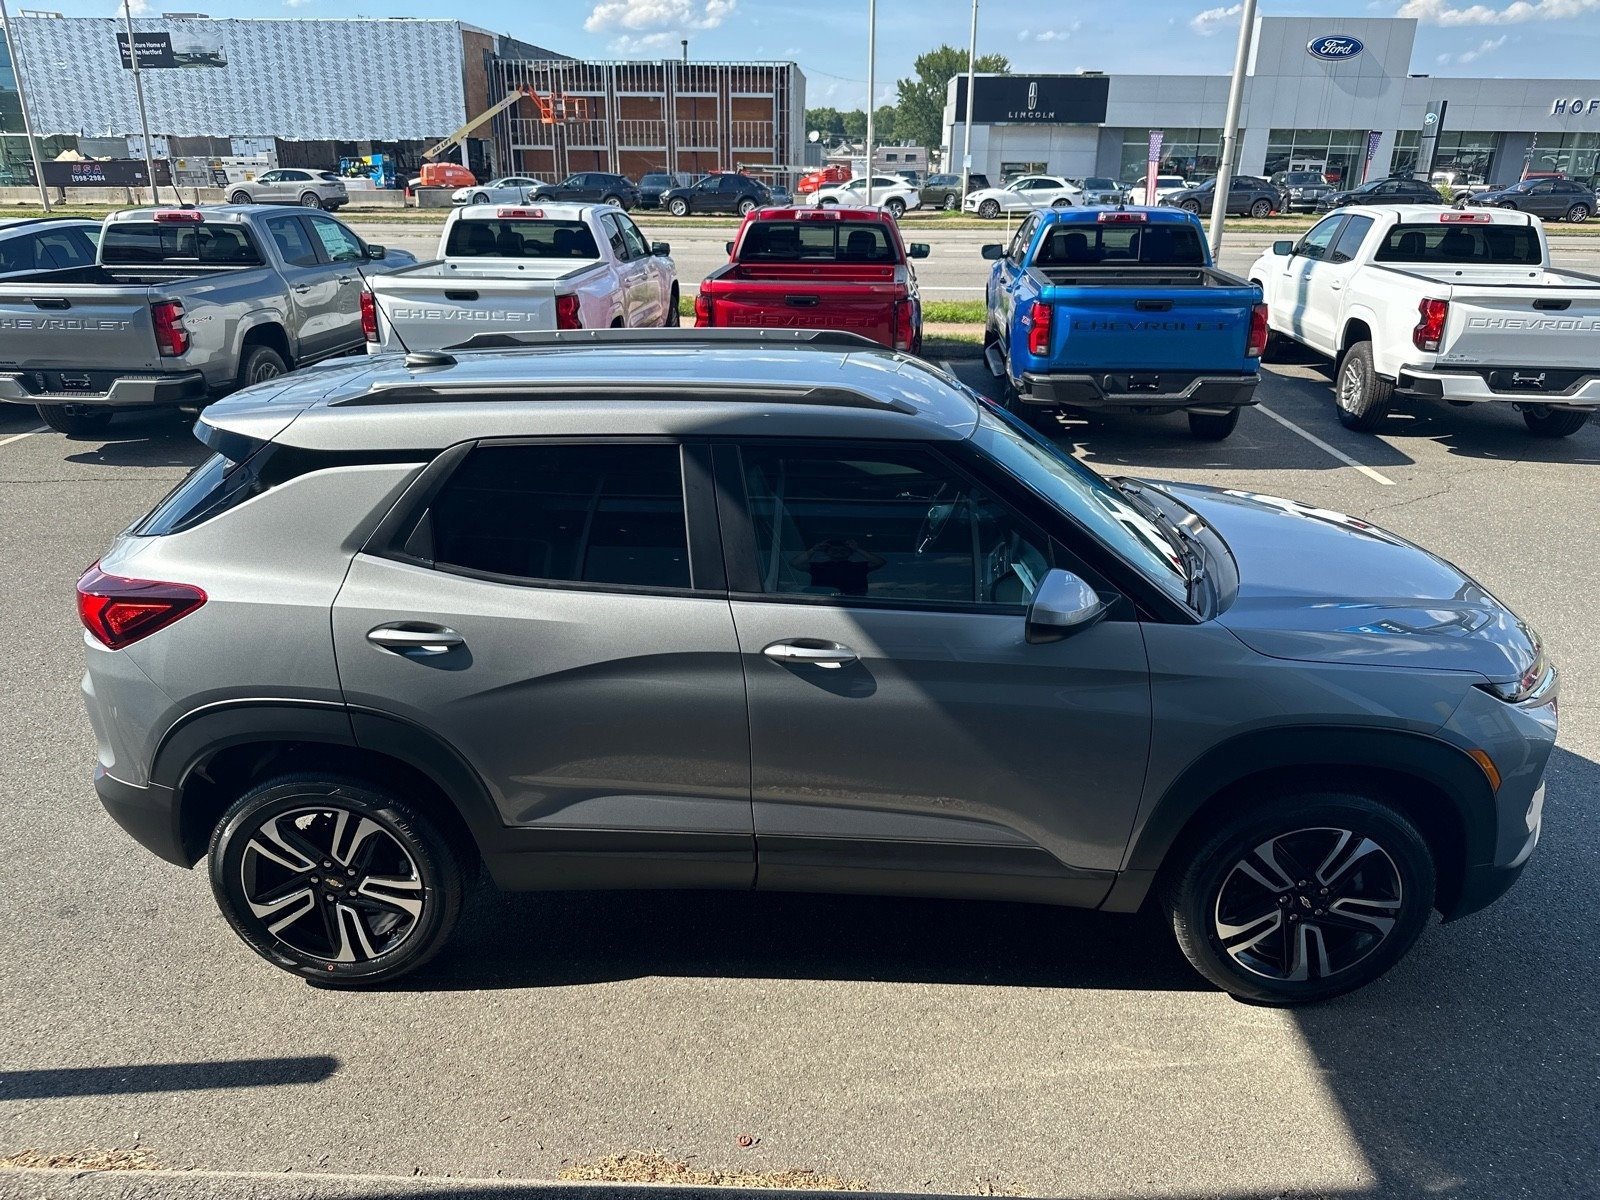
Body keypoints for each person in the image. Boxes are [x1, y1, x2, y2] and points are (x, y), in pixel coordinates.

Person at [789, 538, 886, 596]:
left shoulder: (859, 566)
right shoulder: (818, 567)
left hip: (855, 602)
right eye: (834, 550)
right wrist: (814, 549)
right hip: (822, 602)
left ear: (850, 552)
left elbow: (880, 562)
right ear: (827, 553)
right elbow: (795, 563)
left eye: (843, 550)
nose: (838, 551)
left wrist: (857, 549)